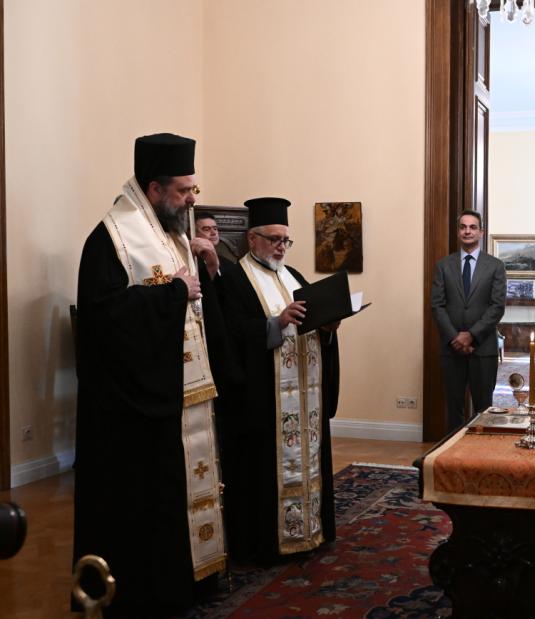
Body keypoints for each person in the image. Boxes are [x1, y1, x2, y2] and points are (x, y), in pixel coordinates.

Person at [72, 133, 230, 616]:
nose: (192, 200)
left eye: (193, 189)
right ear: (154, 189)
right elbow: (104, 319)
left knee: (177, 497)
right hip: (132, 410)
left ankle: (189, 579)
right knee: (146, 505)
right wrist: (173, 294)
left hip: (177, 396)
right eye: (184, 190)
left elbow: (193, 309)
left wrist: (203, 273)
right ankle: (146, 593)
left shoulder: (171, 235)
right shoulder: (111, 239)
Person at [216, 197, 341, 563]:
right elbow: (229, 336)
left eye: (286, 240)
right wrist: (275, 323)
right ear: (252, 239)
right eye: (274, 239)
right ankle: (268, 542)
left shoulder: (294, 276)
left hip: (306, 400)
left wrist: (328, 329)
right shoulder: (234, 279)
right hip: (264, 403)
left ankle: (312, 530)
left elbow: (314, 325)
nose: (281, 247)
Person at [431, 210, 507, 432]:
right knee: (453, 408)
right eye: (463, 227)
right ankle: (453, 450)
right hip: (451, 348)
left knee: (484, 409)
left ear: (481, 232)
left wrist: (471, 335)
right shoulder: (443, 266)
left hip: (483, 348)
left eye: (473, 227)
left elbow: (497, 307)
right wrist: (455, 338)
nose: (467, 231)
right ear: (458, 232)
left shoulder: (495, 266)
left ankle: (482, 451)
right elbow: (437, 305)